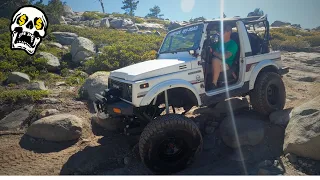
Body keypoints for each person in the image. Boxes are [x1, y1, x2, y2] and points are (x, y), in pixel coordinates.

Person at [209, 24, 238, 89]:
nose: (220, 34)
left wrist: (213, 52)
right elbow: (211, 50)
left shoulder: (232, 44)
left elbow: (224, 56)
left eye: (222, 32)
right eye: (219, 32)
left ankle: (214, 84)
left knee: (215, 60)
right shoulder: (218, 43)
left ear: (229, 32)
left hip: (228, 65)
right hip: (219, 63)